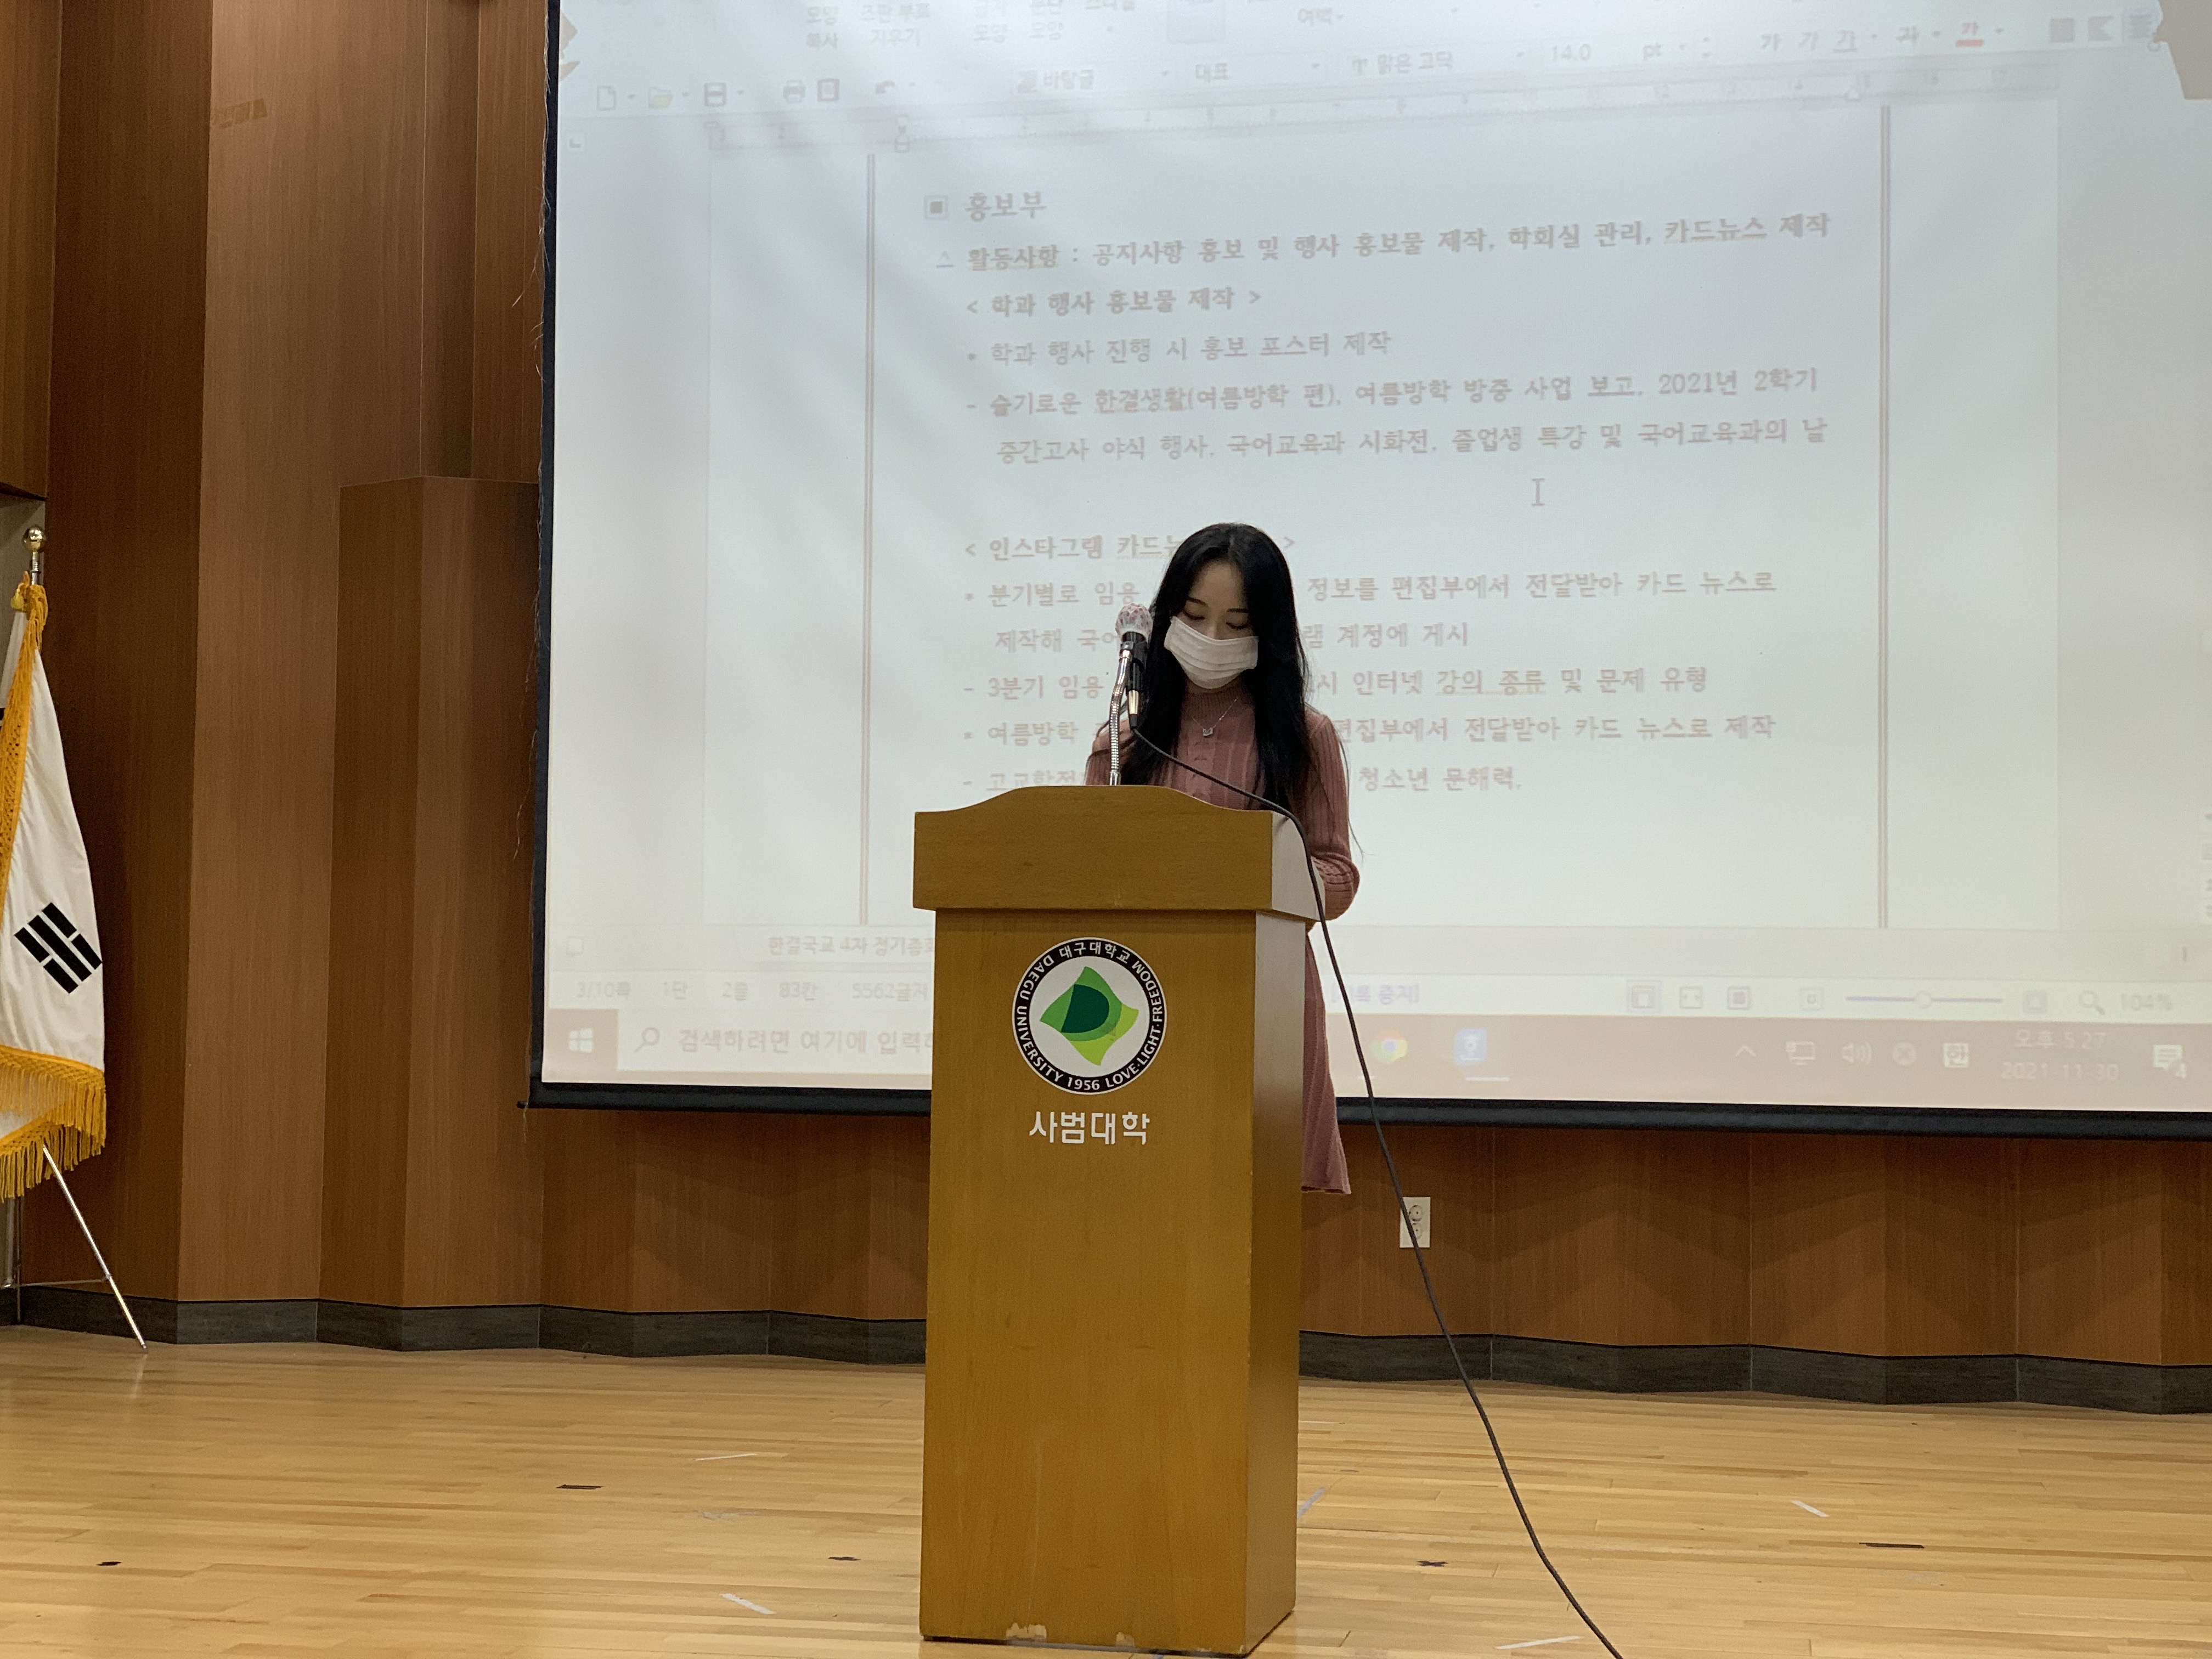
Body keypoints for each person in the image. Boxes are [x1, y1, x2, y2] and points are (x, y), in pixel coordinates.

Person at [1085, 523, 1356, 1194]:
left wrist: (1255, 875)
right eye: (1194, 615)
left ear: (1269, 632)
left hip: (1263, 994)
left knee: (1252, 1199)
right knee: (1148, 1194)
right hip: (1141, 998)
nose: (1211, 638)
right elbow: (1086, 874)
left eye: (1237, 624)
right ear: (1164, 616)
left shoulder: (1305, 735)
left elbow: (1338, 874)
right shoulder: (1123, 741)